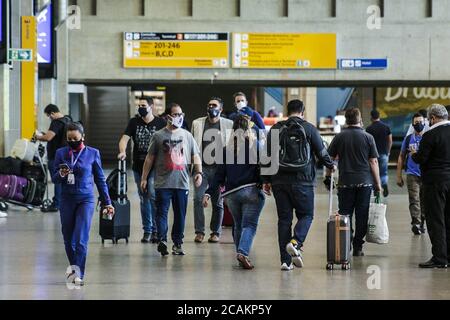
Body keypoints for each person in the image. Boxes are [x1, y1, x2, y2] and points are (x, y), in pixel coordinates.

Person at [261, 99, 336, 271]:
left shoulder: (276, 129)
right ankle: (296, 242)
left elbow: (266, 156)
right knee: (307, 215)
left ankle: (285, 262)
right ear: (302, 112)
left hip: (279, 181)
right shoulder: (309, 128)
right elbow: (322, 152)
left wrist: (265, 181)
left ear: (288, 111)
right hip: (303, 181)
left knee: (284, 220)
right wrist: (331, 165)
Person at [53, 122, 114, 286]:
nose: (72, 141)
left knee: (80, 239)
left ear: (83, 137)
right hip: (67, 199)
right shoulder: (60, 153)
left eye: (75, 138)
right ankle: (74, 267)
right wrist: (61, 174)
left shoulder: (93, 153)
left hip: (86, 199)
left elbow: (100, 180)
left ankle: (79, 273)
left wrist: (107, 202)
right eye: (69, 138)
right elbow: (54, 179)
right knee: (68, 239)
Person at [203, 114, 265, 269]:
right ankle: (243, 253)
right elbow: (264, 168)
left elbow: (218, 175)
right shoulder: (255, 146)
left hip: (231, 195)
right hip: (251, 191)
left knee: (238, 225)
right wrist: (265, 183)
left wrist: (208, 193)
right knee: (249, 225)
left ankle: (240, 254)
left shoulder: (225, 150)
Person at [140, 103, 202, 256]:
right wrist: (144, 178)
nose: (178, 117)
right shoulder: (159, 135)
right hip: (163, 183)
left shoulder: (187, 135)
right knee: (161, 212)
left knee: (180, 215)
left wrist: (198, 172)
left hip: (182, 183)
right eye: (175, 114)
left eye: (181, 114)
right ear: (168, 116)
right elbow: (150, 158)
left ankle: (177, 243)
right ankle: (162, 240)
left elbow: (195, 155)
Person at [326, 108, 382, 257]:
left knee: (345, 214)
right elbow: (373, 161)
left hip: (345, 182)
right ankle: (358, 246)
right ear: (359, 119)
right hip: (364, 183)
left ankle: (346, 243)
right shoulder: (368, 137)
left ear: (346, 119)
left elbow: (330, 159)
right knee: (362, 215)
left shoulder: (339, 137)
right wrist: (378, 184)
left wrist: (327, 177)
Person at [118, 96, 166, 244]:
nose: (141, 107)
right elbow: (124, 139)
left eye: (143, 105)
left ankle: (157, 230)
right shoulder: (134, 122)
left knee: (151, 194)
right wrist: (122, 151)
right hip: (138, 165)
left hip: (155, 166)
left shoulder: (160, 122)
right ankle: (147, 231)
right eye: (139, 105)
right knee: (143, 197)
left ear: (151, 106)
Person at [411, 104, 450, 268]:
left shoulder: (430, 134)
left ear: (433, 118)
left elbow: (422, 159)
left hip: (434, 182)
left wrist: (414, 154)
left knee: (436, 220)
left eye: (429, 119)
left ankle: (440, 258)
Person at [191, 97, 233, 243]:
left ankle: (215, 232)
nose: (211, 107)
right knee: (197, 199)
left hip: (219, 170)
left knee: (218, 202)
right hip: (201, 169)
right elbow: (193, 147)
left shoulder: (229, 124)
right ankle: (199, 231)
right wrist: (195, 169)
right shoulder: (197, 123)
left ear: (220, 109)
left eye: (214, 105)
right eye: (209, 105)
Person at [35, 104, 72, 212]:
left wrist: (38, 137)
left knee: (58, 180)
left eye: (49, 116)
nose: (49, 118)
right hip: (66, 155)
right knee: (64, 179)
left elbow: (48, 137)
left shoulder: (56, 122)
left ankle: (57, 204)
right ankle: (64, 202)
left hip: (56, 156)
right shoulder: (67, 120)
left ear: (52, 113)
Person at [396, 113, 427, 235]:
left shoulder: (428, 138)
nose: (418, 124)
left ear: (424, 123)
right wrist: (398, 176)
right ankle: (416, 223)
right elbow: (401, 156)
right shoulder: (408, 139)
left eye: (420, 122)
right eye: (416, 122)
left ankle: (422, 222)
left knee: (424, 200)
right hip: (411, 173)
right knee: (414, 199)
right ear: (413, 124)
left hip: (425, 173)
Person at [366, 109, 392, 197]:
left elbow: (367, 143)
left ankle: (376, 189)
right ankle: (384, 183)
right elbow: (390, 140)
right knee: (383, 172)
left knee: (374, 172)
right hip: (384, 153)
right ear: (379, 116)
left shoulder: (369, 128)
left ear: (371, 117)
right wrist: (388, 151)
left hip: (373, 155)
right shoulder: (386, 127)